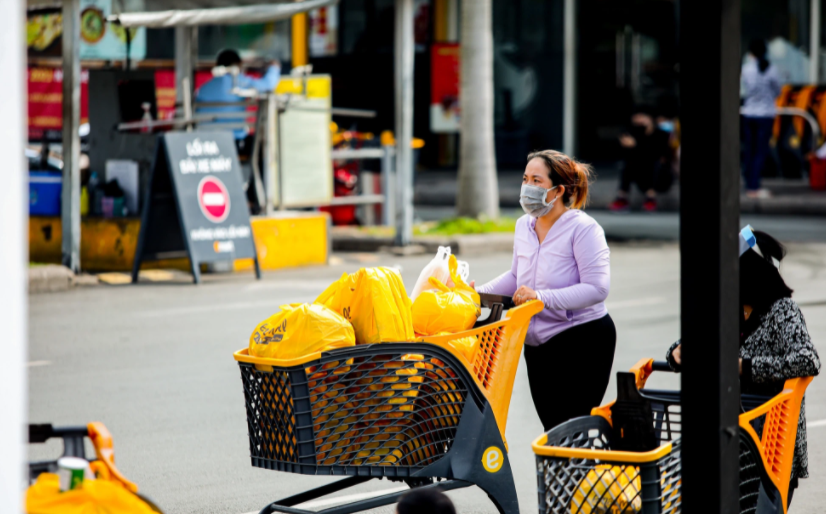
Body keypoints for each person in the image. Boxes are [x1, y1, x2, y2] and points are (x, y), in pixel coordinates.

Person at [665, 228, 820, 507]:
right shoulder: (728, 308)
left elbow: (808, 360)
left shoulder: (782, 310)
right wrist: (677, 352)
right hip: (729, 433)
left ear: (750, 274)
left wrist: (743, 367)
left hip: (772, 439)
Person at [472, 149, 615, 431]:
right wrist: (475, 295)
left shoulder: (584, 229)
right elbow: (516, 276)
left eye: (537, 180)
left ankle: (585, 475)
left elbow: (598, 288)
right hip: (537, 346)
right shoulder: (523, 226)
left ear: (558, 190)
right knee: (552, 432)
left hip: (582, 341)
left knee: (573, 432)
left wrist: (541, 297)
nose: (528, 187)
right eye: (526, 179)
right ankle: (563, 477)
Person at [196, 49, 281, 151]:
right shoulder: (239, 83)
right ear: (238, 65)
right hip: (235, 142)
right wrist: (274, 67)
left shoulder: (203, 88)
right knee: (261, 146)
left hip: (206, 143)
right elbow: (268, 85)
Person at [741, 39, 782, 199]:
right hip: (765, 114)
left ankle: (748, 182)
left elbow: (743, 89)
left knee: (749, 150)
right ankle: (754, 185)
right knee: (759, 151)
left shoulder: (746, 68)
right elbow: (777, 91)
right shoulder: (771, 68)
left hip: (749, 112)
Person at [609, 107, 670, 213]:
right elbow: (623, 154)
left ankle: (650, 198)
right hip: (638, 171)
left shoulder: (661, 134)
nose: (639, 120)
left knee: (656, 164)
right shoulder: (632, 133)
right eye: (636, 117)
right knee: (627, 164)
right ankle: (622, 198)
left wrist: (636, 145)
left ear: (650, 118)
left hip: (659, 173)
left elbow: (659, 154)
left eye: (642, 117)